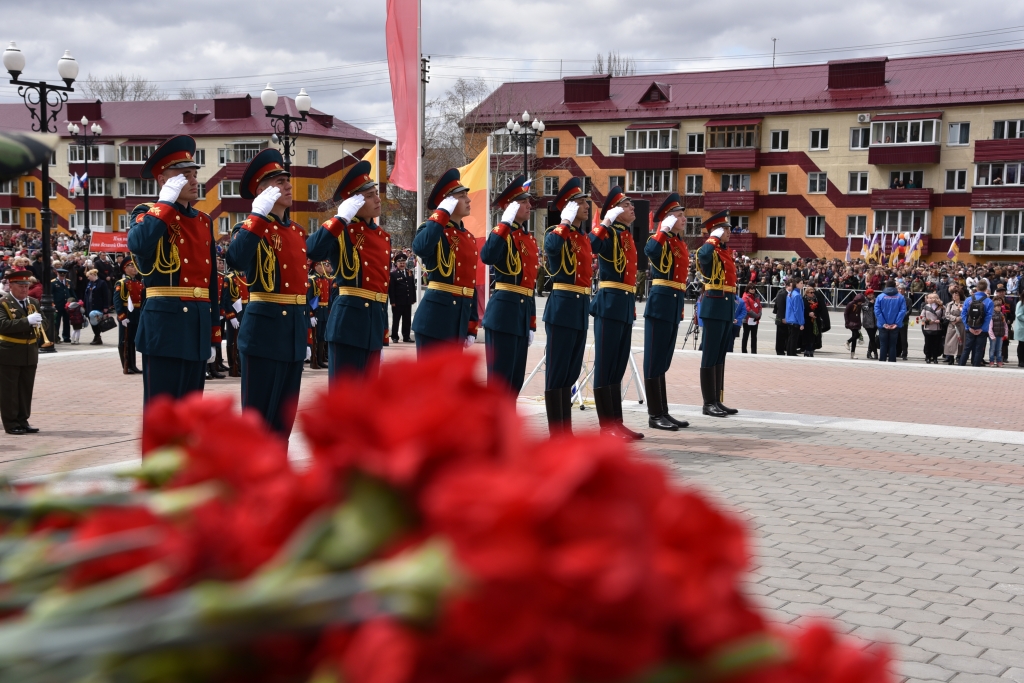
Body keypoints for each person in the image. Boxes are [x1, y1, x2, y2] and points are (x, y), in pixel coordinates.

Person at [127, 134, 220, 405]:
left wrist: (214, 330)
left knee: (190, 417)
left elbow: (210, 281)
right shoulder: (147, 213)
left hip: (198, 325)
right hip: (165, 327)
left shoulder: (203, 220)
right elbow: (139, 244)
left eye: (193, 174)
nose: (193, 180)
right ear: (162, 181)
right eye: (183, 175)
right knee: (163, 416)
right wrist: (165, 204)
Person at [224, 149, 310, 436]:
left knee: (282, 425)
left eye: (287, 180)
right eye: (278, 182)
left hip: (292, 334)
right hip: (265, 333)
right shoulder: (250, 227)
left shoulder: (297, 231)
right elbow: (235, 259)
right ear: (261, 192)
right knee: (258, 423)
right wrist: (257, 215)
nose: (287, 186)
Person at [306, 160, 391, 378]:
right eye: (370, 195)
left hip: (373, 324)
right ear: (355, 200)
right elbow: (313, 251)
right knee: (345, 399)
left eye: (376, 193)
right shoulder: (341, 230)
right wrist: (339, 219)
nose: (377, 198)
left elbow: (381, 290)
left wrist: (382, 333)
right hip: (348, 324)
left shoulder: (383, 237)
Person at [589, 186, 643, 440]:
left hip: (624, 303)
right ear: (616, 210)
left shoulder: (626, 234)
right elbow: (591, 245)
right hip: (609, 303)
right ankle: (605, 426)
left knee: (618, 365)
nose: (633, 209)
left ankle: (616, 422)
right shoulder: (608, 232)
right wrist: (605, 221)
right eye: (628, 206)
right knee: (605, 364)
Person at [479, 175, 538, 396]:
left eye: (528, 202)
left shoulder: (527, 238)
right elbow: (488, 256)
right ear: (511, 207)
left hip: (521, 315)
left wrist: (531, 321)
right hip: (503, 314)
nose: (529, 206)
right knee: (499, 381)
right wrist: (504, 224)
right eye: (523, 203)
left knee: (514, 382)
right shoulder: (502, 233)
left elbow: (529, 283)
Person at [542, 178, 593, 435]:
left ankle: (565, 431)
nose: (587, 206)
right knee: (557, 370)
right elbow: (551, 249)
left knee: (571, 371)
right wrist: (563, 222)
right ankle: (557, 433)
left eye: (585, 202)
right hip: (562, 308)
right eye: (581, 203)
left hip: (580, 307)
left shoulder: (581, 236)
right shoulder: (558, 233)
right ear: (569, 208)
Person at [411, 168, 479, 354]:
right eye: (461, 196)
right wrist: (441, 214)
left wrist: (471, 323)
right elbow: (421, 247)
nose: (468, 200)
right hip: (435, 320)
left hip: (458, 321)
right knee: (430, 382)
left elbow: (469, 283)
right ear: (447, 202)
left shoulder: (468, 237)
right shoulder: (432, 229)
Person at [642, 193, 690, 431]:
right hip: (660, 304)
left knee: (663, 361)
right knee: (653, 360)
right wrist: (662, 230)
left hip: (673, 303)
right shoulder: (662, 240)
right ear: (669, 219)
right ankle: (654, 414)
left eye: (683, 215)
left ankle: (664, 411)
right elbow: (649, 250)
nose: (684, 219)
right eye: (679, 216)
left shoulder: (679, 242)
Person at [696, 210, 738, 418]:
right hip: (714, 306)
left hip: (726, 307)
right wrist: (712, 237)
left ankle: (717, 400)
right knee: (710, 355)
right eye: (725, 229)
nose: (729, 232)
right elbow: (702, 256)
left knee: (720, 355)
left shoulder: (724, 251)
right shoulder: (710, 250)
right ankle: (708, 403)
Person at [0, 270, 42, 435]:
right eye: (21, 286)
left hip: (29, 352)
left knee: (25, 389)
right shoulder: (3, 303)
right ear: (11, 285)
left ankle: (23, 420)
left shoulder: (33, 302)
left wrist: (40, 324)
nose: (25, 290)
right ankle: (11, 423)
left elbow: (44, 322)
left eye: (27, 286)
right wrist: (27, 322)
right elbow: (3, 325)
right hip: (9, 352)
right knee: (9, 391)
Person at [113, 260, 144, 374]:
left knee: (133, 341)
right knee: (124, 340)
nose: (134, 268)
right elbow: (117, 301)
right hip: (127, 314)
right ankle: (126, 365)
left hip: (137, 313)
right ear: (125, 269)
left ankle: (133, 365)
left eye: (135, 266)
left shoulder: (139, 282)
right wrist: (122, 316)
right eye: (131, 266)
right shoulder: (121, 283)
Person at [221, 266, 248, 378]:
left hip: (245, 310)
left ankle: (241, 366)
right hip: (234, 312)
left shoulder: (246, 276)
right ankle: (234, 367)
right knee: (232, 340)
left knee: (242, 340)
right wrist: (231, 316)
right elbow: (225, 299)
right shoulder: (230, 278)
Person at [959, 279, 993, 367]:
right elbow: (988, 317)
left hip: (970, 327)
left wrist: (968, 326)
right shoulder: (989, 301)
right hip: (982, 329)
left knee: (967, 348)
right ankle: (976, 365)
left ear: (976, 288)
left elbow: (963, 314)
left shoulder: (969, 299)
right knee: (979, 349)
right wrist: (982, 328)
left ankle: (961, 364)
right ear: (986, 289)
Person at [307, 260, 332, 369]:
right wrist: (311, 314)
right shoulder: (312, 280)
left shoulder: (325, 279)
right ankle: (314, 360)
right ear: (316, 266)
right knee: (316, 337)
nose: (324, 267)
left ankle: (321, 359)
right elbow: (309, 299)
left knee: (322, 336)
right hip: (316, 311)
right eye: (323, 265)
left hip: (324, 311)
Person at [874, 280, 906, 363]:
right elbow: (902, 311)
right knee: (893, 344)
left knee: (883, 344)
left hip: (883, 325)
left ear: (886, 286)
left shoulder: (880, 296)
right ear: (895, 286)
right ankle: (892, 361)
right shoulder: (900, 297)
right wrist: (896, 323)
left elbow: (877, 311)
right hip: (894, 325)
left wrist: (883, 323)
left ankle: (882, 360)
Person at [388, 254, 416, 343]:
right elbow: (391, 289)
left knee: (407, 320)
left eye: (403, 262)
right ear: (396, 264)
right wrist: (392, 301)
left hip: (407, 301)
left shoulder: (409, 272)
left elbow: (412, 286)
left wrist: (413, 298)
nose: (402, 264)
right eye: (400, 262)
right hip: (398, 302)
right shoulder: (393, 274)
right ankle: (395, 336)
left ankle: (406, 336)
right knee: (396, 320)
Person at [83, 268, 111, 345]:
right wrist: (84, 305)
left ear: (93, 275)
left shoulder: (102, 283)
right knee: (92, 322)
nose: (88, 278)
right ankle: (97, 336)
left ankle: (97, 336)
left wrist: (106, 307)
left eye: (89, 276)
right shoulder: (89, 283)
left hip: (98, 306)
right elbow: (86, 295)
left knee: (97, 322)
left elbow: (106, 296)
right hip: (89, 306)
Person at [919, 292, 944, 364]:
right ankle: (928, 357)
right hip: (928, 327)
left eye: (930, 298)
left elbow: (945, 316)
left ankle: (935, 357)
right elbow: (922, 316)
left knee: (936, 344)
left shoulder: (941, 307)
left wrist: (940, 320)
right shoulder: (926, 306)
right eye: (928, 298)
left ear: (934, 299)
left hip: (937, 328)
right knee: (928, 344)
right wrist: (927, 321)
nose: (928, 299)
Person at [51, 267, 73, 343]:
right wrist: (52, 304)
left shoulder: (68, 282)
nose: (62, 277)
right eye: (61, 276)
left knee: (67, 321)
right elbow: (51, 294)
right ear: (57, 274)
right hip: (57, 305)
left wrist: (75, 301)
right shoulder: (53, 282)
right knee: (57, 322)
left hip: (67, 305)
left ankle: (66, 337)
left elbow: (72, 292)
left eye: (63, 276)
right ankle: (56, 337)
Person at [944, 286, 964, 364]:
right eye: (953, 295)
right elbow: (947, 314)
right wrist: (953, 319)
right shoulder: (950, 304)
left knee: (960, 341)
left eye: (957, 295)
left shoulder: (963, 304)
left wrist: (958, 319)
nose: (954, 296)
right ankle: (950, 357)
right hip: (952, 325)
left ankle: (959, 357)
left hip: (960, 325)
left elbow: (965, 313)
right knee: (950, 342)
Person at [784, 277, 804, 357]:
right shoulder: (796, 295)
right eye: (801, 283)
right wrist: (801, 322)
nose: (803, 285)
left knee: (791, 336)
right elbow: (798, 310)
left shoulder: (790, 294)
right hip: (795, 319)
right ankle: (792, 353)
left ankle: (789, 352)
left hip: (790, 318)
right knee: (794, 337)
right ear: (797, 284)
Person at [988, 294, 1008, 368]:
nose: (999, 308)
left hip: (1000, 335)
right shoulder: (992, 316)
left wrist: (1005, 334)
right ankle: (991, 361)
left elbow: (1005, 325)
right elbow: (990, 327)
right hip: (993, 335)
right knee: (992, 349)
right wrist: (992, 336)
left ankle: (999, 361)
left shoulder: (1002, 315)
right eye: (997, 306)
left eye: (1000, 306)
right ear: (994, 307)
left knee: (999, 349)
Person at [741, 284, 761, 354]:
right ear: (748, 289)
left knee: (754, 336)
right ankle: (744, 350)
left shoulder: (756, 296)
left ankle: (754, 351)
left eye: (754, 288)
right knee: (746, 335)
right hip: (747, 319)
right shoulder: (745, 297)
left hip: (755, 320)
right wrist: (756, 315)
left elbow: (759, 306)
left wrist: (759, 315)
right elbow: (747, 309)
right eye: (751, 288)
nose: (753, 290)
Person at [773, 280, 790, 355]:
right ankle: (779, 351)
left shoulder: (789, 294)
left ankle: (784, 349)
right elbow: (780, 307)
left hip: (787, 318)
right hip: (781, 318)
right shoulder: (782, 294)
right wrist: (783, 318)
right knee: (780, 336)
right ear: (787, 286)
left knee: (785, 335)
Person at [844, 293, 864, 359]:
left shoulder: (859, 306)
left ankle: (853, 354)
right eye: (860, 301)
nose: (861, 303)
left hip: (856, 322)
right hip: (851, 322)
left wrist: (859, 323)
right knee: (856, 335)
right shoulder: (850, 304)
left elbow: (858, 314)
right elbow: (846, 313)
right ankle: (847, 342)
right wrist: (847, 322)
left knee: (854, 338)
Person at [862, 288, 878, 359]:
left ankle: (869, 352)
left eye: (872, 294)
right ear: (867, 295)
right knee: (872, 338)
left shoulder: (876, 300)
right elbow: (864, 308)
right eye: (869, 295)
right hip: (868, 322)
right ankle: (875, 353)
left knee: (872, 338)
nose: (871, 296)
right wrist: (870, 304)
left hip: (875, 322)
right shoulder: (864, 300)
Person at [1015, 295, 1024, 368]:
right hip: (1022, 327)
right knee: (1021, 344)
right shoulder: (1020, 303)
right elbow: (1019, 315)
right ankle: (1021, 361)